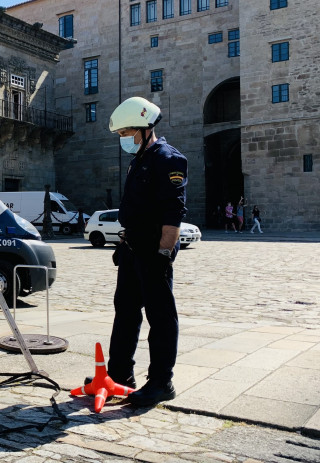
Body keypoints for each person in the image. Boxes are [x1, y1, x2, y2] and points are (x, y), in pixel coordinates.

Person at [106, 96, 187, 407]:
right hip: (131, 248)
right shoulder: (139, 159)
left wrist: (163, 255)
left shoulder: (168, 159)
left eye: (127, 134)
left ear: (144, 129)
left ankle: (161, 381)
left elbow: (173, 215)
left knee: (160, 315)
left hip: (154, 251)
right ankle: (119, 375)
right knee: (125, 311)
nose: (124, 140)